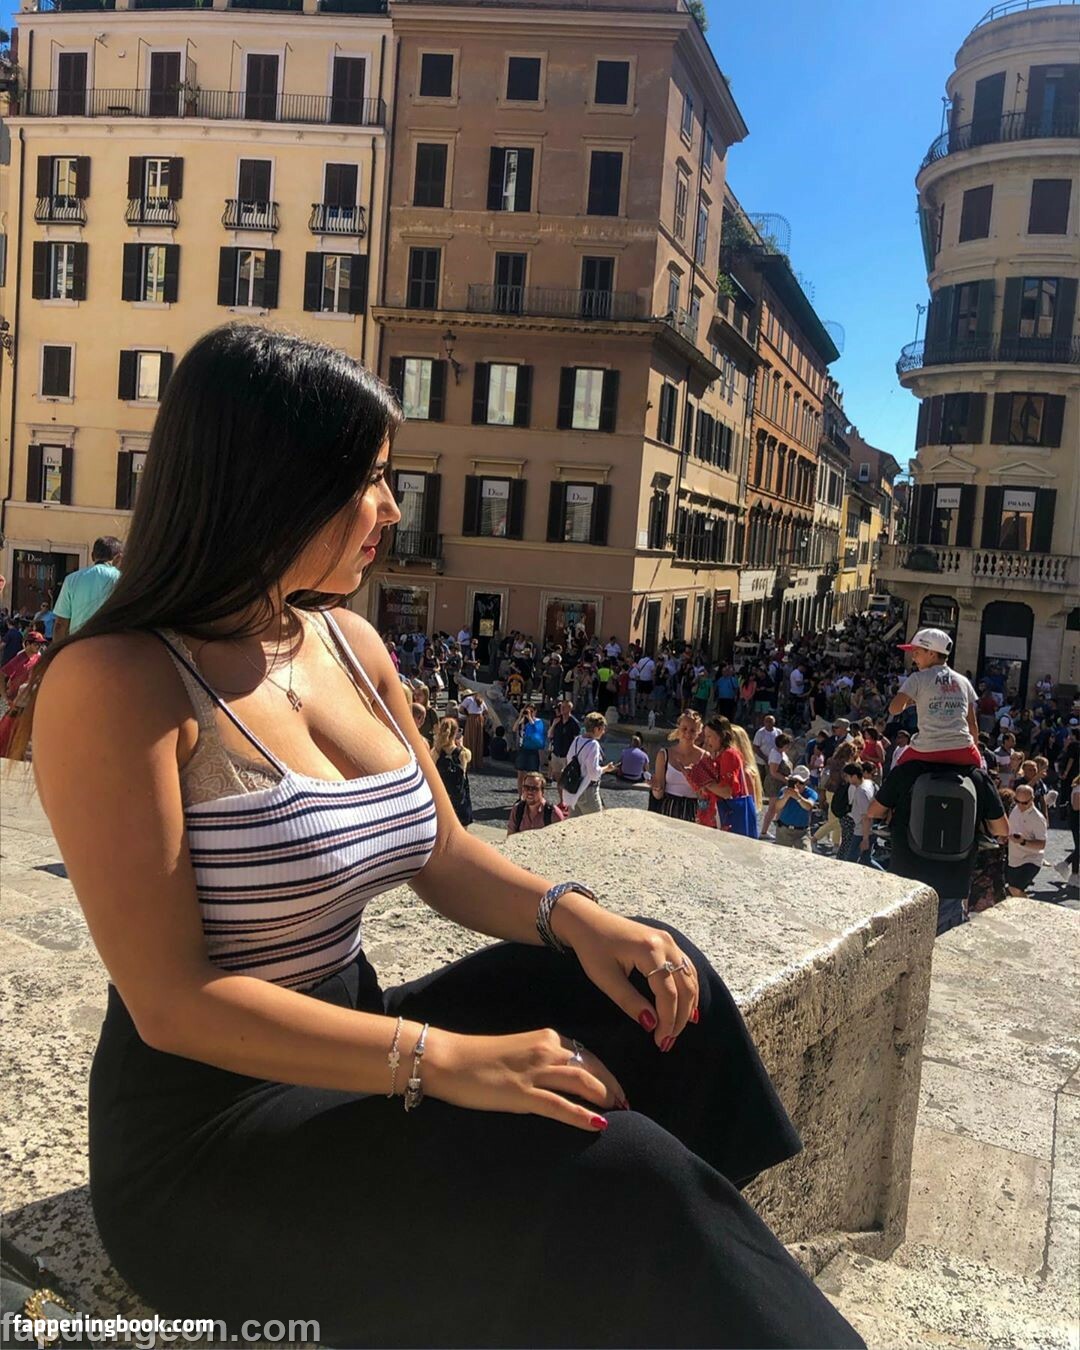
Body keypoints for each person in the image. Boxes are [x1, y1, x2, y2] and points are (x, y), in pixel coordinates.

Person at [3, 326, 866, 1348]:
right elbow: (173, 1002)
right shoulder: (117, 681)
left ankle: (686, 1276)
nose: (390, 508)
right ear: (272, 484)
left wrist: (575, 916)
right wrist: (446, 1061)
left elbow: (444, 855)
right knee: (608, 1164)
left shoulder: (346, 641)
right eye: (368, 479)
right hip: (209, 1137)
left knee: (657, 986)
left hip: (354, 1036)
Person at [867, 760, 1007, 934]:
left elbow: (873, 811)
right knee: (941, 943)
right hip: (952, 881)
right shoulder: (977, 777)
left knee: (902, 940)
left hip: (906, 877)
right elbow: (1002, 829)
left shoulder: (906, 771)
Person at [888, 628, 981, 768]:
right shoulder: (964, 681)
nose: (913, 658)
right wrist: (976, 751)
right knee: (982, 780)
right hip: (963, 750)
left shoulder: (917, 678)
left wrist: (910, 703)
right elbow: (972, 723)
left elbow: (894, 709)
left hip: (926, 749)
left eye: (916, 652)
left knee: (895, 776)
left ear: (931, 653)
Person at [51, 538, 123, 641]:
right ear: (119, 557)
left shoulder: (71, 579)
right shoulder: (122, 580)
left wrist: (58, 649)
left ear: (92, 556)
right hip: (110, 645)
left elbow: (60, 624)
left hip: (79, 645)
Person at [649, 711, 707, 822]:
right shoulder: (664, 755)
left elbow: (706, 795)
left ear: (698, 732)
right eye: (684, 729)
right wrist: (656, 787)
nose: (688, 734)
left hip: (694, 811)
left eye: (692, 730)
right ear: (678, 728)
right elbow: (658, 795)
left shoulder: (705, 757)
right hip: (668, 808)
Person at [0, 630, 48, 757]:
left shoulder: (38, 658)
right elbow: (2, 674)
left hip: (29, 702)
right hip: (16, 703)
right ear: (27, 644)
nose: (39, 647)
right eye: (36, 644)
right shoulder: (20, 658)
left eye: (40, 644)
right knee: (7, 732)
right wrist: (4, 695)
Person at [560, 710, 616, 817]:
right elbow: (593, 773)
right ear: (596, 729)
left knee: (575, 823)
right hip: (588, 790)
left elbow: (568, 759)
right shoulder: (593, 744)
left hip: (573, 790)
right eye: (602, 729)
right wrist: (606, 768)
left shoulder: (577, 740)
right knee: (595, 822)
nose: (603, 732)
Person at [1005, 783, 1047, 896]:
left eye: (1024, 803)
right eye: (1017, 801)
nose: (1020, 805)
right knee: (1013, 892)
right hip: (1013, 858)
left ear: (1032, 799)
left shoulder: (1038, 818)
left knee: (1014, 889)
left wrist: (1023, 842)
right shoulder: (1014, 809)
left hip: (1031, 859)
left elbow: (1042, 844)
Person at [432, 716, 473, 828]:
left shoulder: (436, 752)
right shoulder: (463, 753)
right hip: (459, 799)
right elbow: (466, 765)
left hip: (441, 796)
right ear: (456, 733)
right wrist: (461, 745)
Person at [773, 765, 817, 852]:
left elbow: (808, 806)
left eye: (801, 782)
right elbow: (777, 807)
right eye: (795, 781)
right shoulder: (785, 790)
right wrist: (786, 796)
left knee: (806, 856)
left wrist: (797, 797)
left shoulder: (811, 793)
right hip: (784, 830)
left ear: (807, 782)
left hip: (802, 832)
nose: (797, 785)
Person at [759, 732, 794, 840]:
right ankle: (764, 831)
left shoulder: (781, 753)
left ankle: (778, 831)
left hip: (780, 783)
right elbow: (773, 772)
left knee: (779, 808)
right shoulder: (775, 754)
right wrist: (786, 780)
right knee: (773, 808)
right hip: (775, 783)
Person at [512, 703, 547, 795]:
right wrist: (520, 716)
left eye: (531, 711)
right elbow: (514, 729)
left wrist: (530, 718)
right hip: (523, 749)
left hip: (533, 750)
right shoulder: (523, 721)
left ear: (535, 711)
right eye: (527, 711)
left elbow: (536, 730)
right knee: (520, 774)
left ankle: (533, 794)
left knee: (533, 775)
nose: (529, 713)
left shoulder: (538, 721)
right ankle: (521, 796)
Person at [459, 688, 488, 771]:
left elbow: (461, 709)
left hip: (471, 719)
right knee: (478, 740)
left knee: (469, 739)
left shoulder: (468, 699)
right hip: (480, 719)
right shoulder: (480, 699)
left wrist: (467, 714)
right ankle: (477, 761)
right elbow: (486, 711)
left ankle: (469, 762)